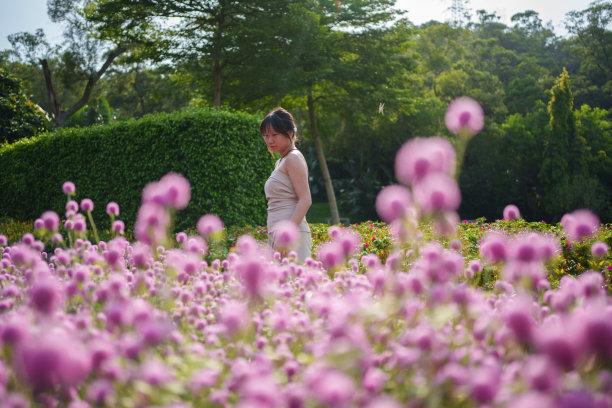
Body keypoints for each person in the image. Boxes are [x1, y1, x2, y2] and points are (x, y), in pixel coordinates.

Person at [260, 107, 312, 261]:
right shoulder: (281, 160)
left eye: (275, 135)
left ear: (290, 133)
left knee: (295, 284)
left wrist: (286, 235)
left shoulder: (293, 158)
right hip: (278, 236)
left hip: (291, 237)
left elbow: (306, 199)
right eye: (266, 136)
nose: (270, 141)